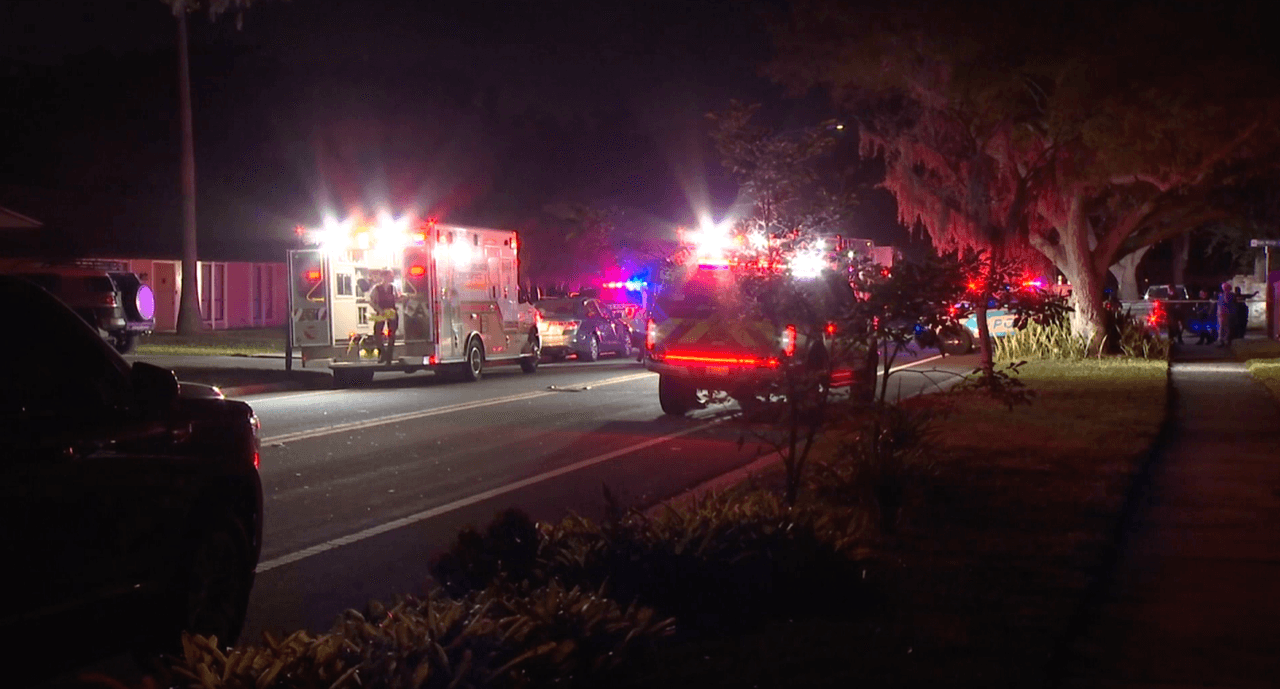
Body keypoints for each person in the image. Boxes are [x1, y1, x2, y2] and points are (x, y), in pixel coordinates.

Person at [369, 269, 401, 363]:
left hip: (391, 312)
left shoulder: (393, 288)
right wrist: (379, 310)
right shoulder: (377, 288)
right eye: (390, 275)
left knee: (392, 335)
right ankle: (383, 353)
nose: (392, 277)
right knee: (377, 333)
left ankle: (389, 357)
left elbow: (396, 299)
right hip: (381, 312)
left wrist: (401, 298)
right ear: (385, 276)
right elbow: (371, 301)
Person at [1215, 282, 1235, 347]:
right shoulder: (1221, 295)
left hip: (1226, 313)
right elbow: (1219, 304)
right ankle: (1221, 340)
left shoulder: (1230, 295)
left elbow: (1228, 302)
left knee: (1226, 327)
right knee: (1221, 327)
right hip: (1221, 313)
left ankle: (1225, 340)